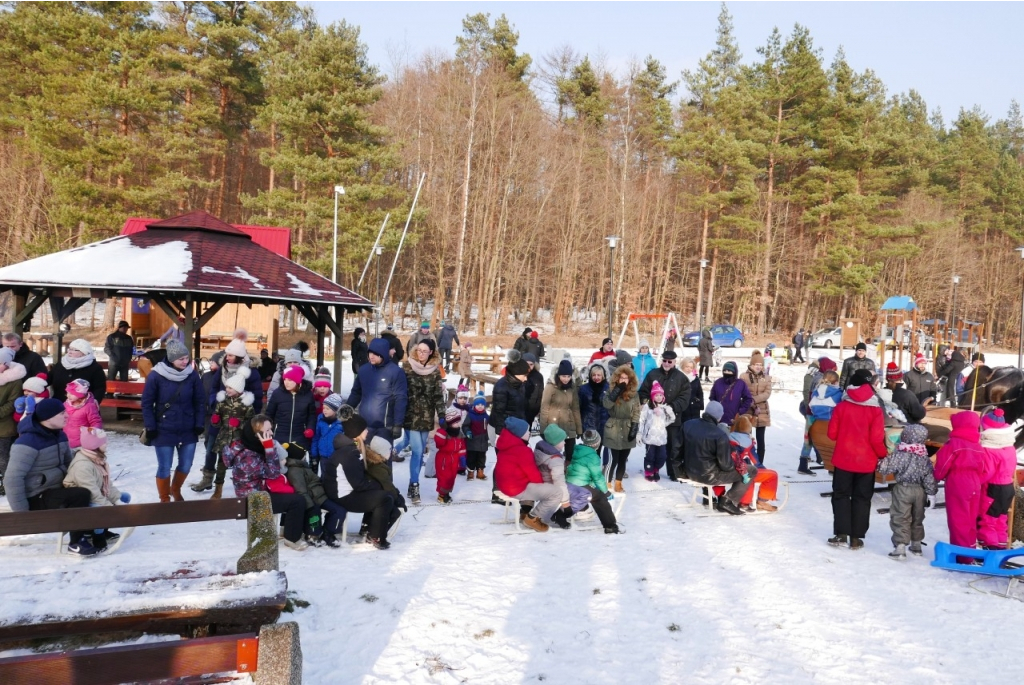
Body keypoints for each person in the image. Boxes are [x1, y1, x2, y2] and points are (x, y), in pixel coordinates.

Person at [6, 399, 96, 555]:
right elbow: (12, 478)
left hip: (56, 489)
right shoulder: (27, 442)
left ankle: (94, 530)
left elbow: (70, 464)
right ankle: (76, 542)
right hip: (36, 495)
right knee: (80, 495)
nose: (67, 416)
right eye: (61, 413)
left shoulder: (59, 435)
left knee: (91, 487)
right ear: (47, 418)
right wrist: (22, 514)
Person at [222, 414, 310, 551]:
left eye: (271, 429)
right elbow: (273, 473)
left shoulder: (248, 444)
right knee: (297, 501)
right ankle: (292, 539)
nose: (271, 433)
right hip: (253, 498)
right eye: (267, 431)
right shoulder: (248, 456)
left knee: (292, 490)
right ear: (256, 434)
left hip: (260, 489)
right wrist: (269, 449)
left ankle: (286, 531)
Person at [826, 368, 888, 549]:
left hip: (843, 459)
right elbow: (876, 439)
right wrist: (883, 454)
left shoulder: (841, 406)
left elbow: (832, 434)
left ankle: (841, 533)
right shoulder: (875, 410)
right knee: (862, 498)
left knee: (841, 496)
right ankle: (856, 537)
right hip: (866, 462)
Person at [323, 414, 401, 549]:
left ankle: (369, 530)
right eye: (364, 429)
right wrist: (379, 486)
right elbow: (358, 484)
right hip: (341, 497)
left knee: (383, 496)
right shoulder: (349, 453)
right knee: (384, 498)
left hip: (346, 493)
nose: (367, 431)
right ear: (356, 432)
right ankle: (376, 536)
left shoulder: (352, 448)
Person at [141, 339, 206, 503]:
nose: (185, 362)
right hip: (164, 428)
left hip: (188, 427)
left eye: (186, 358)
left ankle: (175, 489)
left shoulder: (192, 375)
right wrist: (150, 426)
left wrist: (199, 423)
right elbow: (147, 403)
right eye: (181, 359)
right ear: (171, 359)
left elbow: (200, 400)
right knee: (164, 466)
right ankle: (164, 498)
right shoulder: (156, 375)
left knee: (186, 464)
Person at [63, 427, 131, 551]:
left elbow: (107, 484)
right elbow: (91, 491)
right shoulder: (83, 465)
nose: (107, 444)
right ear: (95, 445)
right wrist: (109, 507)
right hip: (80, 500)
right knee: (100, 509)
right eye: (104, 442)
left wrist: (116, 498)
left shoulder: (97, 460)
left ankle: (101, 530)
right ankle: (97, 536)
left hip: (94, 494)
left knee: (120, 498)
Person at [877, 423, 937, 559]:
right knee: (918, 517)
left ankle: (900, 547)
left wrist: (880, 462)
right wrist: (931, 493)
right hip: (920, 490)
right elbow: (929, 476)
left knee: (900, 516)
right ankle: (916, 545)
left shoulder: (900, 454)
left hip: (902, 488)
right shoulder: (924, 456)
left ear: (905, 436)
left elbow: (884, 468)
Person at [495, 416, 564, 533]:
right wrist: (544, 486)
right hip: (516, 488)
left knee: (531, 484)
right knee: (556, 492)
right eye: (527, 431)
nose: (529, 433)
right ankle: (533, 518)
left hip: (504, 485)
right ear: (519, 434)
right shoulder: (522, 450)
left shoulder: (506, 445)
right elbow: (533, 475)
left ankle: (525, 512)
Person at [680, 401, 749, 515]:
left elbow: (676, 450)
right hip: (708, 475)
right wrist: (738, 465)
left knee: (709, 462)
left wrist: (679, 471)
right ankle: (727, 501)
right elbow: (726, 466)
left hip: (689, 471)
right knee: (751, 470)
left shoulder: (688, 424)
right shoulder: (719, 434)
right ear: (719, 416)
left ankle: (708, 496)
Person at [933, 411, 987, 553]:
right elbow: (982, 467)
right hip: (975, 482)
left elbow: (943, 464)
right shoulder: (978, 445)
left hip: (958, 481)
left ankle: (961, 554)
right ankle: (970, 549)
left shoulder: (953, 444)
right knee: (970, 518)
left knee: (958, 518)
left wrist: (937, 476)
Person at [400, 339, 446, 505]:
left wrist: (442, 415)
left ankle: (413, 482)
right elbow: (399, 391)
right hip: (410, 415)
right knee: (418, 451)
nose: (420, 353)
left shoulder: (435, 371)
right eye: (419, 350)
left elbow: (438, 396)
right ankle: (414, 485)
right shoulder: (407, 367)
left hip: (426, 417)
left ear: (431, 353)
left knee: (419, 455)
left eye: (424, 351)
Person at [637, 350, 690, 481]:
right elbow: (643, 392)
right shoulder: (653, 374)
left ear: (674, 362)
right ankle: (651, 470)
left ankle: (673, 472)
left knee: (672, 448)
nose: (666, 363)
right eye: (664, 360)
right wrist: (648, 404)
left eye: (669, 361)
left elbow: (685, 397)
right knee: (652, 447)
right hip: (654, 419)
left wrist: (671, 407)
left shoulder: (681, 378)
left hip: (672, 420)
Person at [346, 337, 408, 445]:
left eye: (376, 354)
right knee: (365, 459)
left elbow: (400, 398)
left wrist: (398, 424)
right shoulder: (364, 370)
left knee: (381, 460)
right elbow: (356, 393)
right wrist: (347, 408)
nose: (371, 356)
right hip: (364, 426)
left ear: (383, 354)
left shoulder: (395, 372)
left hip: (385, 426)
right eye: (370, 353)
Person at [204, 371, 256, 498]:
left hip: (239, 441)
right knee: (221, 464)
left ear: (238, 389)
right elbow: (217, 420)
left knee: (241, 466)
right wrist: (215, 420)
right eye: (226, 387)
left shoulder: (246, 404)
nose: (227, 390)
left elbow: (252, 423)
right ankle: (218, 489)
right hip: (224, 439)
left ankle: (243, 487)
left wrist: (239, 424)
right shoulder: (222, 402)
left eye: (230, 387)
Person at [489, 357, 530, 502]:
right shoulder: (502, 387)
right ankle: (497, 492)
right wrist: (500, 434)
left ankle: (509, 488)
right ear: (516, 373)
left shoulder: (519, 384)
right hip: (501, 428)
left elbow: (520, 408)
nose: (526, 379)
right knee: (502, 460)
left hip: (515, 428)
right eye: (524, 375)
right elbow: (499, 413)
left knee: (512, 461)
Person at [565, 429, 622, 533]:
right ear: (596, 443)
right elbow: (598, 477)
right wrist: (606, 492)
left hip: (569, 482)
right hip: (580, 485)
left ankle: (583, 509)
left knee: (591, 491)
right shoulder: (593, 457)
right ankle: (610, 526)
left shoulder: (577, 450)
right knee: (599, 498)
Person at [280, 443, 336, 547]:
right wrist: (310, 505)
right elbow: (301, 490)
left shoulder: (301, 466)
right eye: (304, 455)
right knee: (314, 512)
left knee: (326, 508)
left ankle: (319, 532)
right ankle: (312, 534)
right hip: (309, 498)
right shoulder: (295, 470)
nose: (306, 457)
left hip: (315, 495)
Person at [978, 409, 1017, 550]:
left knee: (988, 521)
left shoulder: (990, 448)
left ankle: (990, 550)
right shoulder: (1009, 445)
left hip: (993, 488)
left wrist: (976, 482)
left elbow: (988, 472)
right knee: (1001, 519)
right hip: (1008, 487)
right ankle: (1001, 548)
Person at [724, 415, 781, 512]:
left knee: (748, 474)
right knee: (771, 475)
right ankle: (760, 502)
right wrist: (763, 469)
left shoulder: (729, 437)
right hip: (742, 471)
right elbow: (755, 461)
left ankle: (744, 502)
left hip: (728, 471)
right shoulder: (748, 442)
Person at [602, 364, 640, 491]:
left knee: (623, 459)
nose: (623, 380)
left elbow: (636, 412)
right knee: (613, 459)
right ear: (617, 379)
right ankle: (607, 483)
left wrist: (634, 427)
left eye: (626, 378)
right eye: (621, 378)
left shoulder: (634, 394)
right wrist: (616, 391)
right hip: (613, 426)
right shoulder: (610, 391)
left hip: (627, 426)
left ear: (630, 379)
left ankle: (618, 482)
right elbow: (606, 404)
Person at [533, 424, 577, 529]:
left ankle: (554, 514)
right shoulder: (555, 459)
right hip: (550, 485)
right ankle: (558, 515)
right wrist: (566, 503)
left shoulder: (542, 450)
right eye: (562, 440)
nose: (565, 442)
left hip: (542, 483)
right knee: (580, 492)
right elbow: (559, 482)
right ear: (555, 442)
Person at [539, 359, 583, 463]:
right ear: (558, 375)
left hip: (569, 425)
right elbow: (545, 408)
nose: (566, 379)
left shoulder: (572, 387)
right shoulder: (551, 387)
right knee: (553, 455)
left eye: (568, 376)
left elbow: (575, 408)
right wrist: (543, 429)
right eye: (563, 376)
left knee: (570, 455)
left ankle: (567, 473)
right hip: (554, 425)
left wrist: (579, 428)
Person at [265, 365, 316, 451]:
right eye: (285, 379)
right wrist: (268, 430)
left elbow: (312, 415)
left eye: (290, 380)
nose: (286, 382)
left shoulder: (308, 395)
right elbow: (269, 414)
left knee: (298, 463)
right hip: (279, 435)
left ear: (298, 381)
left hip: (300, 437)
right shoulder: (277, 393)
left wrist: (310, 428)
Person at [211, 338, 265, 414]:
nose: (226, 358)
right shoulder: (222, 368)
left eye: (230, 355)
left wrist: (253, 415)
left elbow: (257, 396)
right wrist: (214, 402)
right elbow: (214, 387)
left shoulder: (251, 371)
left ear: (239, 357)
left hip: (242, 415)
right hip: (221, 412)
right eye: (227, 354)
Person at [0, 346, 27, 495]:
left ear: (6, 364)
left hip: (4, 426)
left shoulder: (15, 380)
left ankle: (7, 484)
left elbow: (12, 403)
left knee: (3, 458)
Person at [49, 339, 107, 403]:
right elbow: (49, 378)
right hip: (59, 405)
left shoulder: (94, 368)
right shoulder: (62, 363)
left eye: (74, 350)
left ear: (83, 353)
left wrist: (94, 403)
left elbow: (99, 388)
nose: (69, 352)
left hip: (82, 407)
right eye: (69, 349)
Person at [638, 381, 675, 481]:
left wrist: (668, 415)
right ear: (652, 396)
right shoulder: (647, 407)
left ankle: (656, 469)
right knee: (650, 456)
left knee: (662, 456)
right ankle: (649, 471)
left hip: (661, 438)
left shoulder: (665, 408)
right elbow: (641, 420)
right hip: (650, 438)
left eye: (660, 395)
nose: (658, 397)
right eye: (656, 395)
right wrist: (639, 433)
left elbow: (671, 419)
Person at [741, 351, 772, 465]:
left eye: (760, 365)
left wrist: (755, 399)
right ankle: (746, 462)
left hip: (762, 411)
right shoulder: (744, 377)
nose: (758, 367)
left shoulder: (767, 378)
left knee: (760, 440)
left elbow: (767, 393)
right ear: (751, 365)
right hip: (748, 410)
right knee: (746, 439)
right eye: (756, 364)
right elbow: (744, 392)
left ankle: (760, 463)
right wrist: (751, 402)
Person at [434, 407, 466, 504]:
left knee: (452, 477)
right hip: (444, 459)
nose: (458, 424)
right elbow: (438, 443)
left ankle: (447, 493)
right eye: (455, 422)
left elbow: (462, 445)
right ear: (450, 423)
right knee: (444, 478)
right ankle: (441, 495)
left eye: (458, 422)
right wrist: (442, 430)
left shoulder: (459, 433)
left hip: (454, 458)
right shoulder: (445, 433)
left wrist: (462, 457)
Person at [709, 361, 752, 427]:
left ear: (734, 372)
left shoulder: (740, 383)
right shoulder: (718, 382)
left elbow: (748, 398)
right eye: (725, 370)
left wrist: (740, 411)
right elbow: (712, 398)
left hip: (734, 419)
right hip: (719, 420)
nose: (726, 372)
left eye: (729, 371)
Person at [62, 380, 102, 450]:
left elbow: (96, 422)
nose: (68, 395)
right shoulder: (66, 404)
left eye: (71, 393)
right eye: (67, 392)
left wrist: (91, 433)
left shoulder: (89, 406)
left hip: (82, 444)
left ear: (80, 394)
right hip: (67, 441)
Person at [311, 393, 345, 477]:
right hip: (323, 455)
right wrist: (314, 454)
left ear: (336, 410)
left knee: (336, 477)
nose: (324, 410)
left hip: (337, 455)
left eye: (328, 408)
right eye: (324, 408)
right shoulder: (320, 419)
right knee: (324, 476)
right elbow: (316, 437)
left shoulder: (341, 423)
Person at [464, 392, 490, 480]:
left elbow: (489, 427)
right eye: (478, 404)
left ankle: (480, 471)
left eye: (482, 404)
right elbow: (465, 426)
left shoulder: (486, 416)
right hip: (472, 441)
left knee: (482, 458)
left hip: (483, 442)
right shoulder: (470, 415)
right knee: (471, 457)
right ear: (474, 405)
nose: (480, 406)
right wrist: (467, 432)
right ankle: (470, 472)